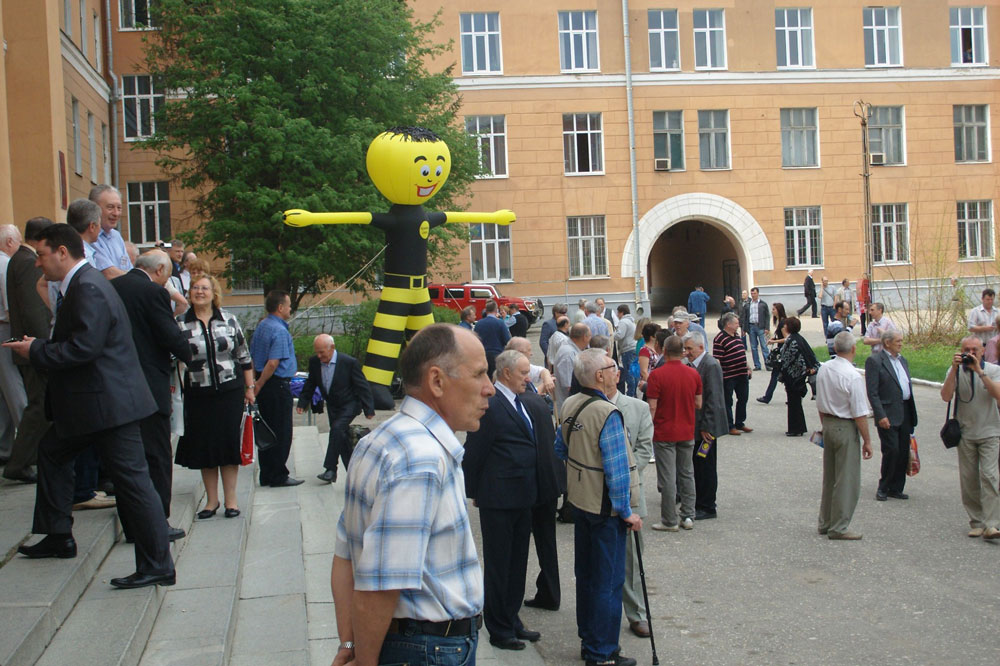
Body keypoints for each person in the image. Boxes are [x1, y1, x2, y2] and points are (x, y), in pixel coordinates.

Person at [8, 224, 174, 588]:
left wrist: (35, 349)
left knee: (133, 482)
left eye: (42, 254)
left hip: (109, 406)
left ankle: (158, 564)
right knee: (52, 452)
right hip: (94, 405)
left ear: (62, 252)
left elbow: (85, 348)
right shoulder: (83, 285)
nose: (38, 264)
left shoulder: (87, 287)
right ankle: (57, 535)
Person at [330, 324, 494, 666]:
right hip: (427, 649)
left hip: (415, 644)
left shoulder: (381, 440)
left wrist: (351, 641)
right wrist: (365, 660)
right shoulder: (420, 459)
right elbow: (381, 584)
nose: (489, 389)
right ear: (437, 381)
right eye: (479, 374)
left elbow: (346, 555)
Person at [463, 350, 554, 650]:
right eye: (524, 372)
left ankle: (512, 617)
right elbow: (474, 452)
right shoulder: (492, 405)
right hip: (499, 500)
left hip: (523, 497)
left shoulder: (519, 401)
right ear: (505, 374)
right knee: (500, 565)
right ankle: (499, 628)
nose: (529, 377)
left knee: (517, 563)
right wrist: (475, 491)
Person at [555, 348, 641, 666]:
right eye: (612, 366)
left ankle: (590, 639)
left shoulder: (569, 403)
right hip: (606, 510)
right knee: (608, 581)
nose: (617, 370)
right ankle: (602, 652)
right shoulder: (607, 412)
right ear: (600, 375)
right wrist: (627, 511)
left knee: (588, 576)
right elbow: (617, 471)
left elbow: (559, 447)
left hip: (581, 503)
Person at [111, 250, 194, 541]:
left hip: (118, 385)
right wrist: (190, 355)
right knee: (157, 455)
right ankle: (158, 521)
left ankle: (133, 525)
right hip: (149, 385)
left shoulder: (114, 287)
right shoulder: (153, 293)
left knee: (128, 460)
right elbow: (168, 333)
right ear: (159, 270)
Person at [175, 275, 255, 518]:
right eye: (195, 288)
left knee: (229, 446)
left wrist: (250, 389)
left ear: (214, 292)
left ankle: (231, 500)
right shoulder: (180, 323)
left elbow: (244, 355)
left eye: (204, 288)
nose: (200, 292)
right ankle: (212, 501)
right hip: (198, 395)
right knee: (206, 448)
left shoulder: (228, 319)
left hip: (230, 392)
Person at [1, 218, 53, 484]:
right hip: (32, 345)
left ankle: (23, 460)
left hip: (27, 344)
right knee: (38, 406)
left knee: (38, 404)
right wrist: (44, 346)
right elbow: (34, 310)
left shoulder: (19, 259)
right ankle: (20, 462)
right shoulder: (27, 261)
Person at [604, 361, 653, 638]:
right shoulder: (584, 407)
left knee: (631, 558)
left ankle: (637, 613)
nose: (604, 377)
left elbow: (645, 448)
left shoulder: (638, 408)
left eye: (608, 371)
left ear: (617, 375)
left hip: (631, 493)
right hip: (596, 496)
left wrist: (628, 475)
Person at [939, 336, 1000, 539]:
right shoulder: (955, 370)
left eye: (975, 350)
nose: (971, 353)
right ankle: (977, 521)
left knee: (990, 477)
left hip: (990, 431)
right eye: (967, 350)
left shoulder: (993, 370)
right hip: (965, 433)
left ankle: (992, 524)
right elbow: (946, 396)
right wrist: (954, 370)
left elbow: (997, 394)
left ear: (983, 350)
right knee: (969, 479)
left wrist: (979, 372)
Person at [815, 332, 873, 540]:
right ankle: (839, 525)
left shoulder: (824, 369)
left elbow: (820, 401)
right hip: (845, 424)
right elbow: (859, 412)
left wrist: (825, 425)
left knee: (830, 477)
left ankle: (825, 521)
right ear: (853, 349)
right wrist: (867, 440)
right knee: (846, 478)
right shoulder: (852, 376)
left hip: (828, 422)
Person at [296, 334, 374, 483]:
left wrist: (368, 408)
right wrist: (302, 402)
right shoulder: (315, 363)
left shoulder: (349, 362)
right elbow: (310, 383)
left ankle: (330, 468)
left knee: (337, 429)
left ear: (332, 348)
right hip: (333, 404)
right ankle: (354, 474)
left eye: (322, 352)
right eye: (316, 352)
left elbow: (362, 386)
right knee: (341, 438)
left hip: (350, 403)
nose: (319, 356)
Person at [647, 335, 702, 532]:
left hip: (664, 431)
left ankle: (669, 519)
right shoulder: (693, 374)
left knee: (668, 477)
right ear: (682, 352)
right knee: (687, 473)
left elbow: (652, 407)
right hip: (686, 429)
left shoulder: (657, 375)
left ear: (665, 350)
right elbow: (698, 403)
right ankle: (688, 515)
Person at [250, 290, 301, 487]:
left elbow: (253, 358)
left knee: (267, 430)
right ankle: (278, 474)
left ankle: (266, 473)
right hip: (276, 384)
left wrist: (254, 383)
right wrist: (259, 385)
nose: (290, 309)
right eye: (288, 305)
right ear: (280, 308)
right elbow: (272, 363)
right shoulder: (279, 330)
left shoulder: (262, 325)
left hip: (263, 383)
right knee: (281, 431)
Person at [865, 329, 917, 502]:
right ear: (887, 343)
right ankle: (884, 486)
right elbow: (872, 392)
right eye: (898, 341)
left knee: (903, 451)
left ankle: (896, 487)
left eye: (901, 341)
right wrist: (880, 415)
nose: (901, 344)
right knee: (891, 450)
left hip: (905, 411)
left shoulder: (903, 361)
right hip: (887, 413)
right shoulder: (875, 361)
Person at [683, 332, 728, 520]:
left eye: (689, 349)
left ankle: (708, 505)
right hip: (696, 426)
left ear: (701, 347)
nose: (687, 352)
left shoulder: (710, 365)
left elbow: (715, 398)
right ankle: (700, 501)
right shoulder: (693, 365)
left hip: (706, 429)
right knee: (698, 465)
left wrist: (707, 427)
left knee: (706, 466)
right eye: (685, 349)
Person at [0, 226, 27, 472]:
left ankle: (5, 447)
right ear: (10, 241)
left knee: (3, 394)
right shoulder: (5, 264)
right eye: (19, 241)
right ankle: (29, 449)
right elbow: (10, 306)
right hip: (5, 328)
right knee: (14, 389)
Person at [778, 317, 818, 437]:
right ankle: (798, 427)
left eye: (785, 325)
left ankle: (795, 428)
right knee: (796, 403)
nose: (784, 327)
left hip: (793, 376)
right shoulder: (799, 338)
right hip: (799, 375)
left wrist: (782, 373)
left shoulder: (791, 340)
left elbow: (786, 358)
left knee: (793, 403)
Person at [714, 312, 753, 436]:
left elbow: (741, 352)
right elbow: (717, 358)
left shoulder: (737, 336)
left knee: (743, 398)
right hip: (729, 375)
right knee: (728, 401)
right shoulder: (720, 338)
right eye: (736, 323)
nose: (738, 325)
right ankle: (729, 425)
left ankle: (740, 422)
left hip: (742, 373)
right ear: (728, 324)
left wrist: (747, 366)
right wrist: (720, 375)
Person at [89, 184, 133, 278]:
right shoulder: (90, 236)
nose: (116, 213)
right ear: (95, 209)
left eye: (119, 208)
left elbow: (129, 269)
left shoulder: (116, 236)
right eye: (110, 207)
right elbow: (109, 274)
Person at [554, 323, 590, 414]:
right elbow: (569, 386)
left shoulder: (572, 350)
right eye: (590, 336)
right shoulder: (568, 354)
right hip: (569, 409)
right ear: (585, 337)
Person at [758, 302, 787, 404]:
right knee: (784, 375)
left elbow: (786, 338)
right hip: (782, 350)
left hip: (784, 352)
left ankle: (767, 397)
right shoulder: (780, 322)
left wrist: (774, 341)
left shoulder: (783, 323)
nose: (772, 311)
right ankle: (769, 396)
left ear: (778, 310)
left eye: (774, 309)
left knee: (776, 375)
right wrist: (774, 338)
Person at [474, 300, 511, 379]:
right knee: (496, 379)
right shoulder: (500, 323)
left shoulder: (478, 324)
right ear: (496, 310)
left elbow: (475, 341)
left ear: (486, 310)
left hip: (483, 356)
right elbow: (507, 340)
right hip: (497, 355)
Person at [743, 287, 769, 371]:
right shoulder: (748, 304)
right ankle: (757, 365)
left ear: (758, 293)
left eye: (754, 293)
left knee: (764, 346)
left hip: (760, 326)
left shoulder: (763, 304)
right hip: (751, 326)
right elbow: (745, 317)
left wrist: (767, 327)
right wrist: (744, 328)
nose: (753, 295)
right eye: (752, 294)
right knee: (754, 347)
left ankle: (768, 363)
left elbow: (767, 316)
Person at [615, 304, 637, 396]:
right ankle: (634, 393)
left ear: (621, 312)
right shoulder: (631, 321)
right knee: (634, 373)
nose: (617, 315)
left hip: (627, 349)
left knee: (629, 374)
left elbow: (620, 335)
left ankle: (630, 394)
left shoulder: (623, 322)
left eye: (618, 312)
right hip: (634, 349)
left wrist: (612, 335)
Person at [637, 321, 660, 398]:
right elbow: (644, 371)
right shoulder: (645, 351)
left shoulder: (656, 349)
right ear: (652, 337)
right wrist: (652, 385)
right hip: (649, 385)